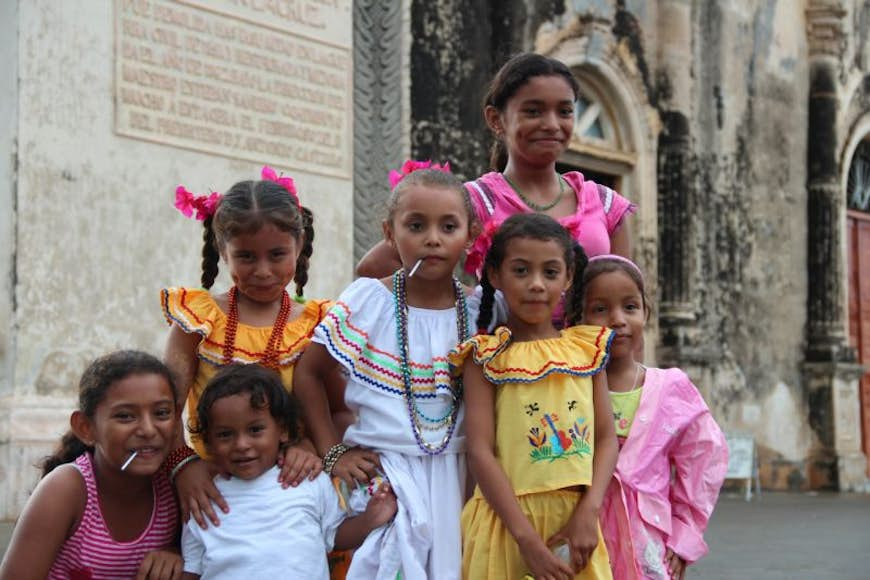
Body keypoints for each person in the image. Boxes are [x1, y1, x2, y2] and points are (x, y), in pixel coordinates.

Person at [293, 163, 480, 579]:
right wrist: (332, 452)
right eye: (416, 225)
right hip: (387, 476)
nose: (432, 238)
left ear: (470, 234)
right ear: (390, 232)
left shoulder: (481, 309)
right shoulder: (369, 302)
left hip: (464, 476)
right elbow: (308, 374)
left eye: (448, 226)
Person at [356, 52, 635, 280]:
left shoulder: (605, 203)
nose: (551, 124)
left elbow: (626, 299)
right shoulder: (475, 201)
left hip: (590, 349)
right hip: (503, 347)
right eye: (533, 111)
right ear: (495, 119)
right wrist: (461, 305)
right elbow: (374, 267)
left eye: (564, 111)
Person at [161, 166, 335, 530]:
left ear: (299, 246)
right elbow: (167, 407)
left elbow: (338, 408)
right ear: (223, 251)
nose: (262, 270)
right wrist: (184, 465)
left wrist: (310, 447)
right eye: (246, 257)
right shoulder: (197, 321)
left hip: (294, 494)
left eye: (277, 255)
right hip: (212, 493)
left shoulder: (319, 325)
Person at [449, 213, 617, 579]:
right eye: (521, 271)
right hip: (507, 527)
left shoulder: (587, 350)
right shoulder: (485, 357)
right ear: (495, 274)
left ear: (569, 277)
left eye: (551, 272)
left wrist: (589, 512)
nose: (536, 284)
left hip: (576, 527)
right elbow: (480, 451)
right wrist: (526, 540)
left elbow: (606, 438)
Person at [582, 255, 728, 580]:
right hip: (583, 537)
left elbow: (705, 458)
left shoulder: (670, 389)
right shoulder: (569, 388)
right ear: (578, 318)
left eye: (630, 307)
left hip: (647, 543)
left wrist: (685, 535)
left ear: (646, 313)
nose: (617, 320)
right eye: (600, 309)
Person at [180, 364, 396, 579]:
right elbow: (192, 569)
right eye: (225, 435)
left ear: (282, 430)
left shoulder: (308, 480)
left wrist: (370, 519)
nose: (242, 444)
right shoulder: (204, 498)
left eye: (255, 430)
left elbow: (335, 536)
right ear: (208, 443)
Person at [0, 351, 182, 580]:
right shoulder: (66, 489)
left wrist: (178, 555)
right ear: (86, 428)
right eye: (125, 416)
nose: (147, 429)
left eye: (162, 413)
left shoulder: (177, 486)